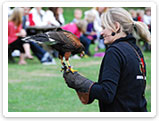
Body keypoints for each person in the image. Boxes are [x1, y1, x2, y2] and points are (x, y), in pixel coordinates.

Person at [63, 7, 150, 112]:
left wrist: (80, 82)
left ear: (116, 27)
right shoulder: (135, 50)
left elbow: (106, 93)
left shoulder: (115, 51)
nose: (102, 32)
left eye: (104, 27)